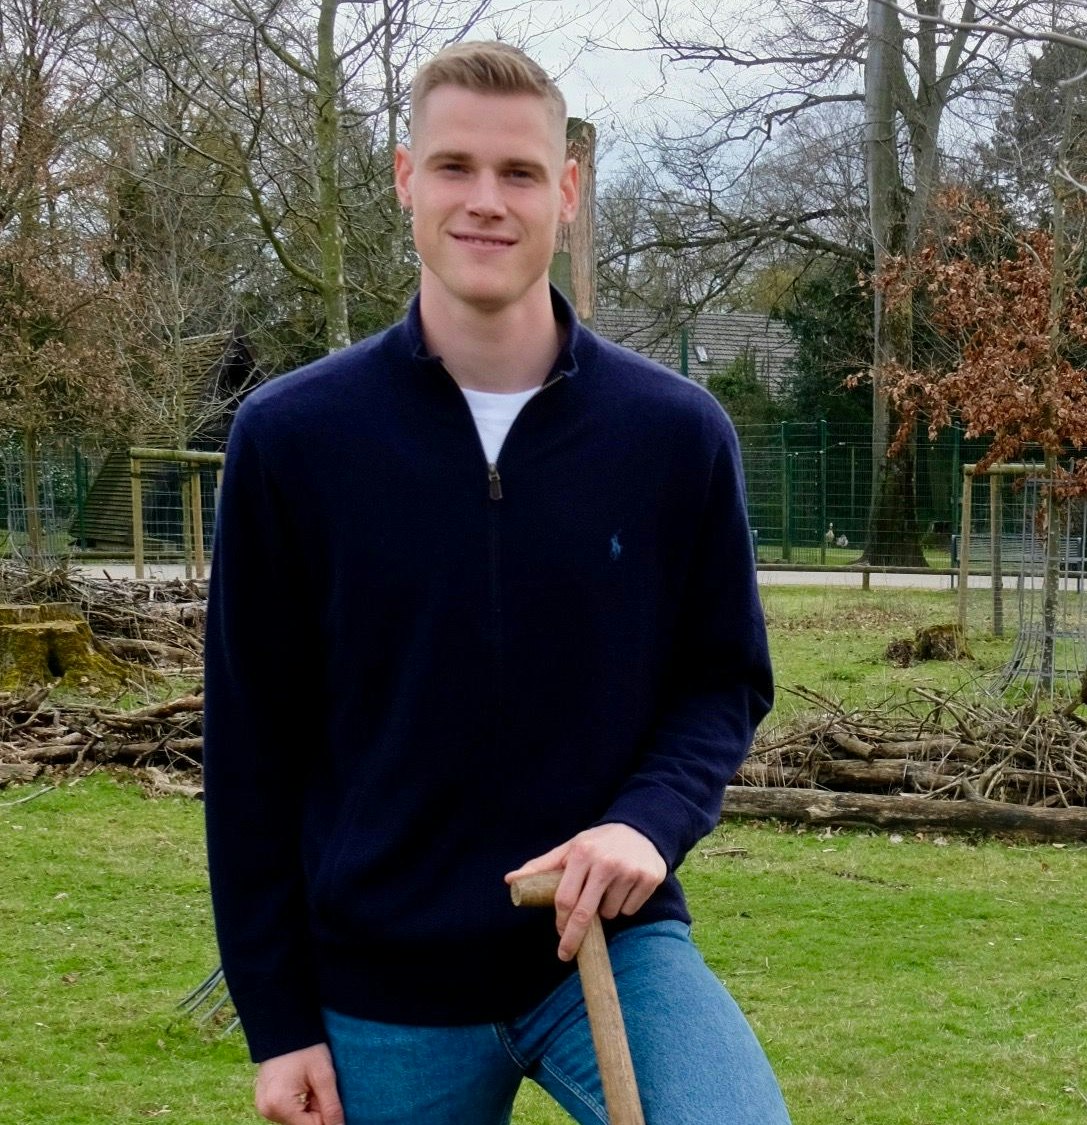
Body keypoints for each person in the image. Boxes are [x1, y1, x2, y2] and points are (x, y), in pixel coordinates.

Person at [204, 41, 788, 1125]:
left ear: (566, 191)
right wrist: (281, 1023)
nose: (485, 201)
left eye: (519, 173)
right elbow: (250, 751)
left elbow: (721, 682)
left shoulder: (673, 436)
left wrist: (647, 828)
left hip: (603, 945)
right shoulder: (290, 439)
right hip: (382, 984)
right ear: (402, 180)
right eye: (453, 167)